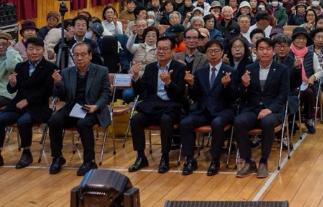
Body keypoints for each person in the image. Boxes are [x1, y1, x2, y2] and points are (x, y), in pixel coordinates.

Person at [47, 42, 112, 175]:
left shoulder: (101, 70)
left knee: (83, 124)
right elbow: (61, 96)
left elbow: (106, 93)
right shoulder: (66, 72)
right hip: (73, 106)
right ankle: (57, 158)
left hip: (92, 107)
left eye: (83, 55)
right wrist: (58, 83)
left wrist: (97, 106)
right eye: (76, 55)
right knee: (54, 120)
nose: (79, 58)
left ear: (90, 55)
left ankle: (89, 161)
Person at [128, 36, 188, 174]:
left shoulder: (179, 68)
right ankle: (141, 156)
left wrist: (168, 83)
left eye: (165, 49)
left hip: (171, 106)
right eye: (159, 49)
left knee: (166, 120)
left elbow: (180, 95)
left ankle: (165, 157)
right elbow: (142, 92)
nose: (161, 52)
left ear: (172, 51)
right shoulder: (150, 68)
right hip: (153, 106)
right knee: (136, 120)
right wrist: (136, 77)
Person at [179, 39, 239, 176]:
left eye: (216, 51)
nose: (213, 54)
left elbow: (234, 96)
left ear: (222, 53)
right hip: (203, 110)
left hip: (224, 110)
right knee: (185, 122)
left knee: (217, 123)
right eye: (210, 51)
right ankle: (189, 159)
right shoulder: (200, 72)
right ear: (205, 53)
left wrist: (226, 86)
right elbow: (196, 96)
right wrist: (191, 84)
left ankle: (215, 160)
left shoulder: (230, 72)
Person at [234, 38, 291, 178]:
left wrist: (270, 109)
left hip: (273, 110)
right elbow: (240, 95)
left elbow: (283, 95)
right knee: (239, 121)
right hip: (253, 109)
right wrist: (244, 85)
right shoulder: (249, 68)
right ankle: (248, 161)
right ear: (256, 51)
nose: (265, 52)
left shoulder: (282, 69)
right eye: (261, 49)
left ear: (273, 51)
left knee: (267, 122)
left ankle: (263, 162)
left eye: (268, 49)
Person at [0, 37, 55, 168]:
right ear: (26, 50)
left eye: (37, 49)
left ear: (43, 50)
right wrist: (12, 84)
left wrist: (28, 100)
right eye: (31, 49)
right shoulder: (21, 66)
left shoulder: (50, 67)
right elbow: (12, 88)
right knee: (1, 119)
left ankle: (26, 152)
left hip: (39, 107)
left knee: (23, 121)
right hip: (18, 105)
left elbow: (47, 90)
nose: (34, 52)